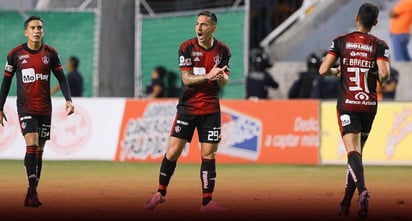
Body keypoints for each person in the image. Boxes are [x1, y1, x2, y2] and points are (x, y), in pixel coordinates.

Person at [144, 10, 230, 212]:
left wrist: (221, 77)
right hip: (188, 108)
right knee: (173, 151)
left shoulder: (223, 51)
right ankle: (160, 192)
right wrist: (209, 76)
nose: (199, 28)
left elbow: (224, 81)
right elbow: (187, 79)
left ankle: (207, 202)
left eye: (204, 25)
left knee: (209, 154)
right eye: (197, 24)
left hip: (210, 108)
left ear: (213, 28)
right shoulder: (187, 47)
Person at [319, 3, 390, 219]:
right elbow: (385, 75)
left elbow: (322, 70)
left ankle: (363, 191)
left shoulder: (341, 41)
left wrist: (338, 71)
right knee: (357, 155)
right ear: (375, 22)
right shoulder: (380, 44)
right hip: (369, 105)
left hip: (348, 104)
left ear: (356, 17)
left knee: (353, 153)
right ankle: (344, 204)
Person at [0, 16, 74, 207]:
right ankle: (32, 191)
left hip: (45, 108)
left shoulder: (51, 54)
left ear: (43, 31)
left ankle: (32, 190)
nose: (36, 31)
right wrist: (0, 107)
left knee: (40, 149)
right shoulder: (15, 54)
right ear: (26, 32)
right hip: (25, 106)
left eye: (39, 27)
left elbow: (62, 78)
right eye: (32, 28)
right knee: (31, 143)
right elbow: (6, 81)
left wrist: (68, 100)